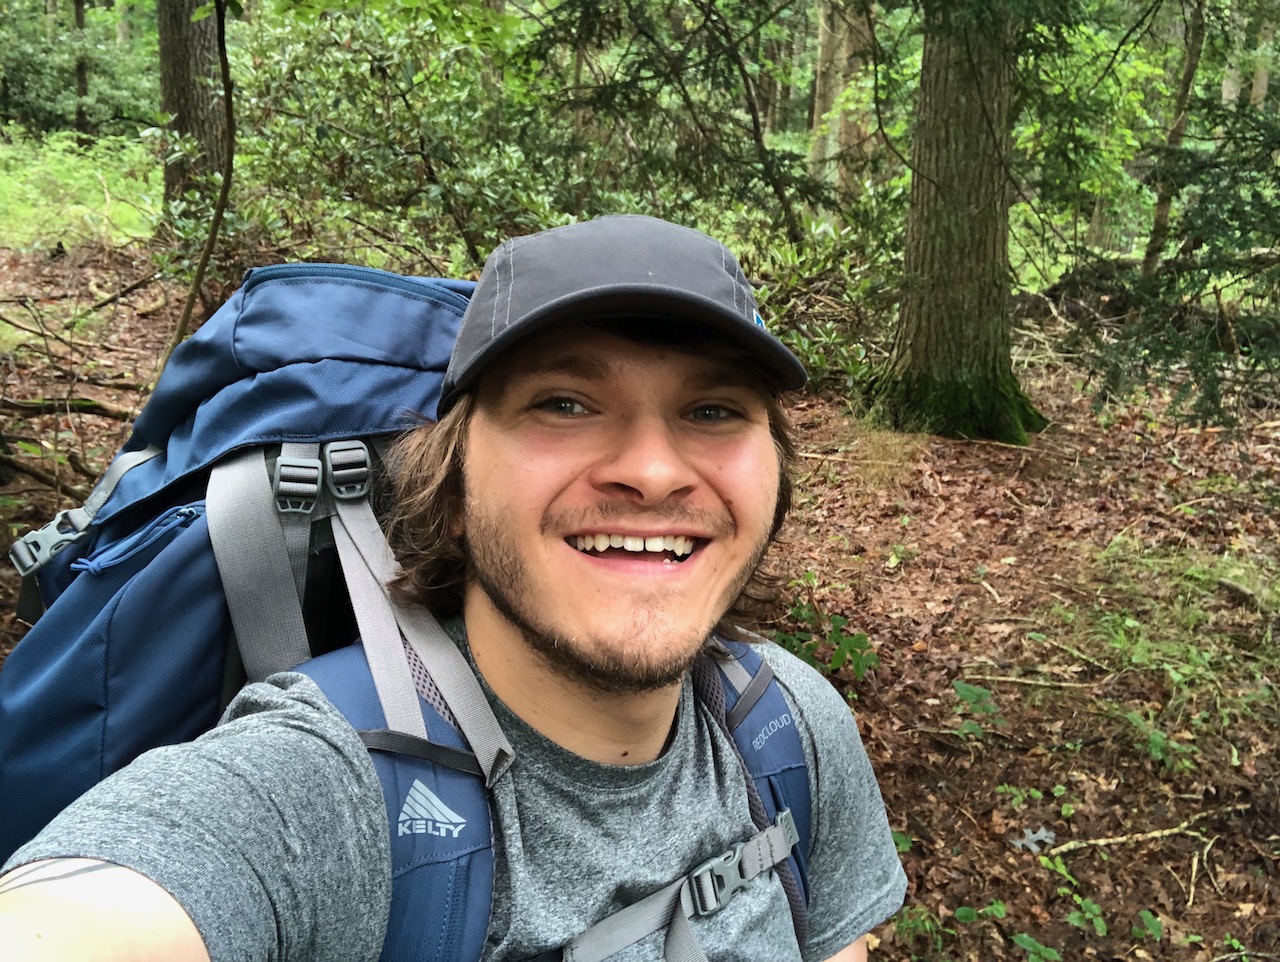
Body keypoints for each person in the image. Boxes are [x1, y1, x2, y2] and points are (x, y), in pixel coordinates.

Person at [0, 215, 907, 961]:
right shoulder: (318, 791)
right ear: (454, 489)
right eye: (564, 403)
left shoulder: (785, 727)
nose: (653, 470)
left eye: (712, 410)